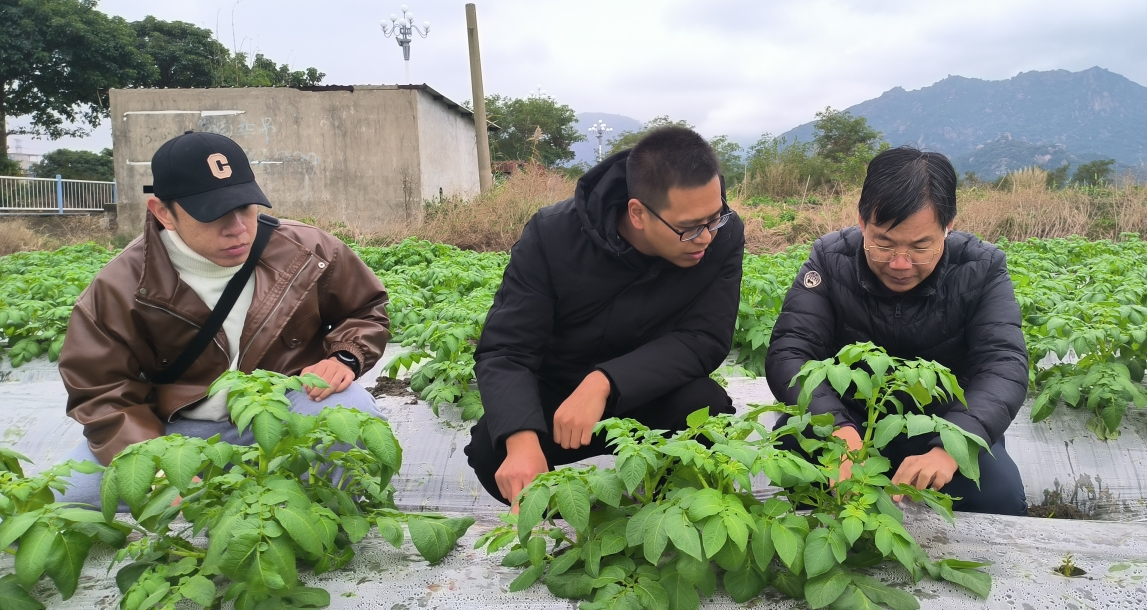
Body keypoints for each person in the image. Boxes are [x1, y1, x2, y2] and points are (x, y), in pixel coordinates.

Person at [57, 131, 390, 505]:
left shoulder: (306, 249)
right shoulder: (119, 286)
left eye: (245, 207)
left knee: (351, 413)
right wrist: (157, 462)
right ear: (163, 212)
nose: (237, 228)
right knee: (65, 501)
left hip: (280, 416)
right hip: (177, 433)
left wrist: (344, 355)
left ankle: (320, 514)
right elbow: (102, 394)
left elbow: (366, 308)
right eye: (213, 214)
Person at [464, 127, 745, 508]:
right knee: (493, 452)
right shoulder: (553, 235)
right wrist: (521, 440)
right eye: (689, 228)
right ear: (638, 213)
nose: (706, 238)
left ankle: (663, 513)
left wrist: (605, 381)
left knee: (704, 413)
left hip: (650, 389)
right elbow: (506, 350)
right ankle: (582, 520)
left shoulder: (721, 237)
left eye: (715, 218)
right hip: (560, 399)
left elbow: (705, 336)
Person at [765, 146, 1028, 515]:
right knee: (797, 464)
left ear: (947, 228)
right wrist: (836, 427)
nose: (900, 263)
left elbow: (1003, 363)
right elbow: (790, 351)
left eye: (921, 246)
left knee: (998, 496)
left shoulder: (981, 267)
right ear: (862, 222)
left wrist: (953, 445)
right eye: (884, 243)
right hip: (849, 419)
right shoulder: (830, 259)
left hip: (943, 423)